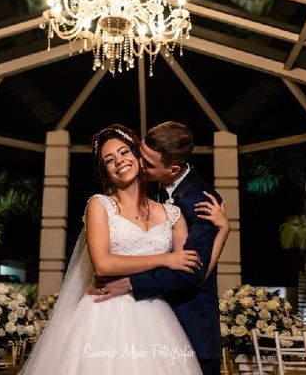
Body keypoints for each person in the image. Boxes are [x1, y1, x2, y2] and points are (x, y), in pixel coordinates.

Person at [20, 124, 229, 374]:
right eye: (109, 160)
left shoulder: (182, 207)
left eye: (125, 153)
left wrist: (224, 231)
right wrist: (165, 258)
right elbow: (103, 264)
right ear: (105, 171)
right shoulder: (101, 204)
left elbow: (193, 269)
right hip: (103, 314)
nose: (120, 161)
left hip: (164, 317)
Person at [92, 121, 228, 375]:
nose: (139, 164)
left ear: (173, 169)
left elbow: (192, 270)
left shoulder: (203, 201)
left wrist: (131, 283)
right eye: (139, 154)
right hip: (141, 322)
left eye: (148, 163)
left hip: (191, 324)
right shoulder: (150, 188)